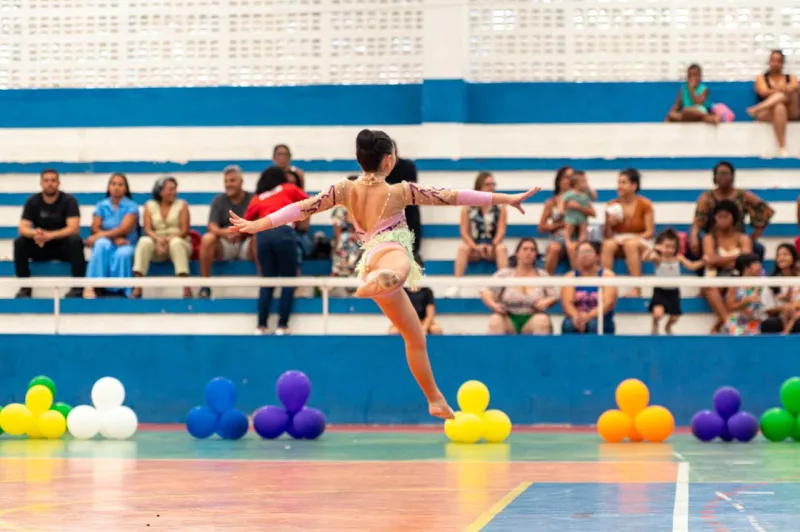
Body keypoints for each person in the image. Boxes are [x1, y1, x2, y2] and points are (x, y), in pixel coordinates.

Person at [230, 129, 539, 419]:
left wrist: (259, 224)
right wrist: (506, 199)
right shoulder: (401, 191)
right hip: (390, 252)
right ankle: (386, 280)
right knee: (402, 266)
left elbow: (302, 208)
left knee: (415, 335)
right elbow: (453, 195)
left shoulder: (345, 189)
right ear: (389, 161)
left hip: (370, 260)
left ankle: (435, 398)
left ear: (359, 159)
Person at [244, 166, 309, 335]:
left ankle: (261, 326)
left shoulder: (258, 197)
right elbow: (310, 203)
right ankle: (282, 325)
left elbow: (247, 220)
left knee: (267, 282)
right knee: (288, 280)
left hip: (263, 236)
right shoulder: (288, 188)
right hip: (284, 233)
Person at [15, 169, 85, 298]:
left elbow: (74, 228)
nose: (50, 184)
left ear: (59, 183)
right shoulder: (32, 201)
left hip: (63, 247)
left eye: (53, 180)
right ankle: (25, 286)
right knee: (20, 242)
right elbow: (23, 228)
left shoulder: (69, 201)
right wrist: (34, 233)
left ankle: (78, 286)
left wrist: (50, 235)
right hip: (41, 246)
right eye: (46, 180)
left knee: (75, 241)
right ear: (41, 183)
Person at [198, 165, 254, 298]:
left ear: (241, 182)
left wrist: (242, 232)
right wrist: (227, 233)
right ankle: (204, 286)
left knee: (261, 238)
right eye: (226, 181)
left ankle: (266, 286)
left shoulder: (253, 199)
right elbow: (212, 226)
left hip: (247, 242)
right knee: (207, 239)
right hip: (226, 244)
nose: (228, 184)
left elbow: (260, 223)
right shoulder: (218, 200)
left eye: (232, 181)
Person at [132, 177, 193, 299]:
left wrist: (167, 240)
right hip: (157, 244)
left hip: (179, 243)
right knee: (144, 241)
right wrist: (158, 239)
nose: (174, 192)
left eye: (175, 189)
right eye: (170, 189)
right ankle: (138, 287)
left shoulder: (182, 205)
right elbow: (148, 229)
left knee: (176, 243)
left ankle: (186, 288)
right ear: (160, 192)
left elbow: (184, 230)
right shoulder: (149, 206)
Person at [84, 173, 139, 299]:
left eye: (120, 184)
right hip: (110, 242)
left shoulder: (131, 206)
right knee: (101, 244)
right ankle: (91, 286)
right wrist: (113, 239)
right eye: (113, 184)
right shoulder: (102, 205)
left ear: (126, 188)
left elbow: (124, 229)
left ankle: (126, 291)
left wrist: (100, 235)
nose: (116, 187)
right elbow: (95, 228)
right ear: (109, 187)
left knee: (123, 253)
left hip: (126, 243)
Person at [642, 229, 704, 335]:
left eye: (672, 247)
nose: (669, 250)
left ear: (677, 248)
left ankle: (668, 327)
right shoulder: (658, 258)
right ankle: (655, 324)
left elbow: (692, 266)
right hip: (660, 290)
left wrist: (704, 261)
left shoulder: (678, 258)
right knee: (658, 313)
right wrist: (653, 248)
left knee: (675, 316)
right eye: (666, 246)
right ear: (660, 246)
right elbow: (644, 258)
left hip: (674, 291)